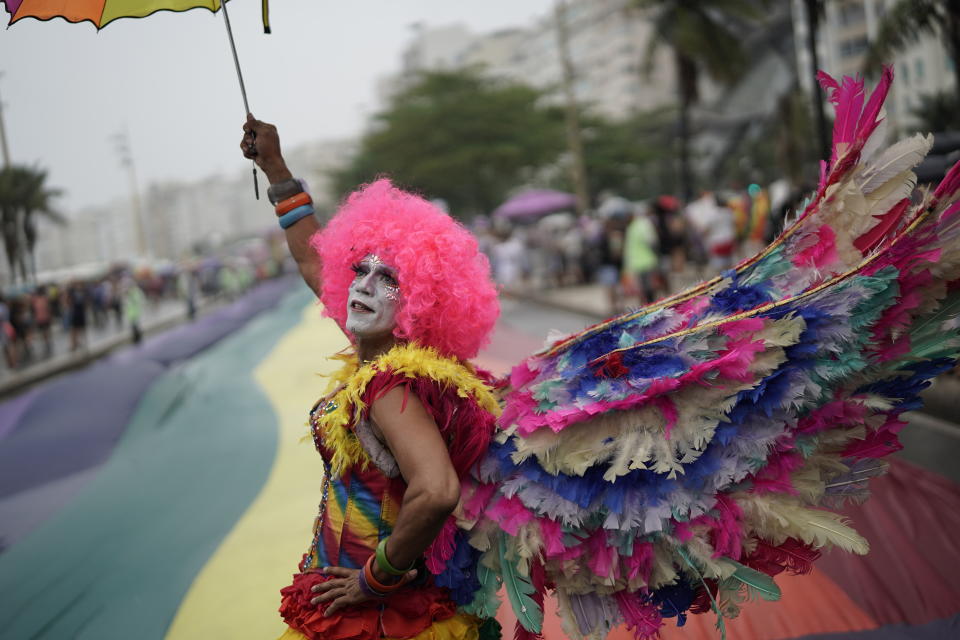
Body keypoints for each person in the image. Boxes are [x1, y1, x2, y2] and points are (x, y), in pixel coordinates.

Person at [241, 115, 502, 640]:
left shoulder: (389, 385)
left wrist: (375, 578)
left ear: (422, 303)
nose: (364, 285)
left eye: (390, 279)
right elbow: (314, 263)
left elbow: (436, 489)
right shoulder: (382, 352)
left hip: (378, 620)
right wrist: (275, 168)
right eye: (360, 269)